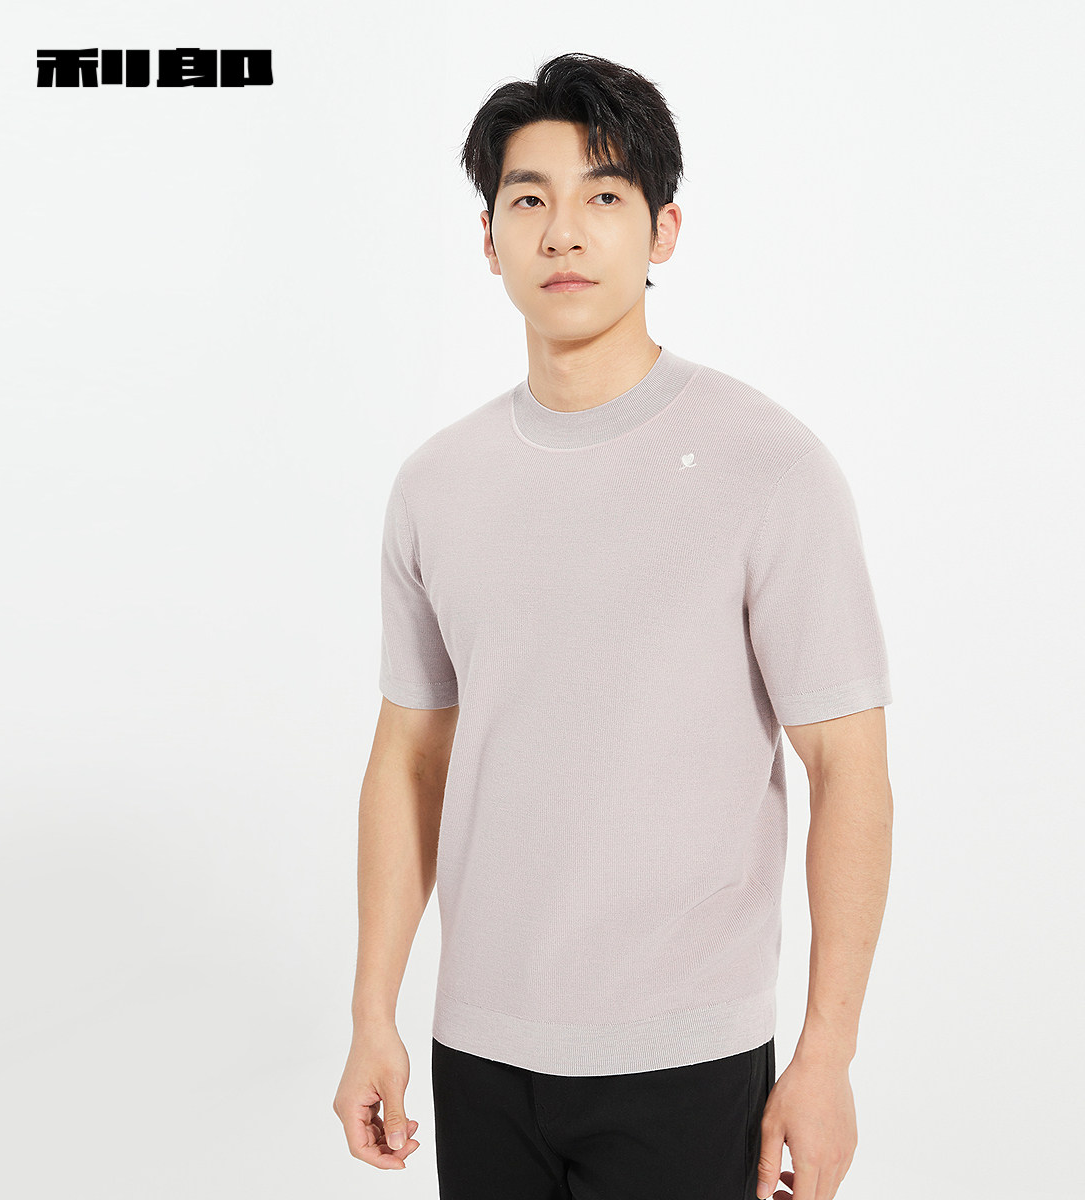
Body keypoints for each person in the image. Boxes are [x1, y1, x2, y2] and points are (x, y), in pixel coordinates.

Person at [333, 51, 895, 1200]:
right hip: (479, 1054)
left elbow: (849, 766)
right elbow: (409, 756)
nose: (563, 233)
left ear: (662, 230)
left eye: (603, 195)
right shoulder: (438, 484)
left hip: (686, 1057)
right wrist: (372, 1014)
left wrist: (827, 1055)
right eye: (528, 199)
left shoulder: (768, 467)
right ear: (488, 238)